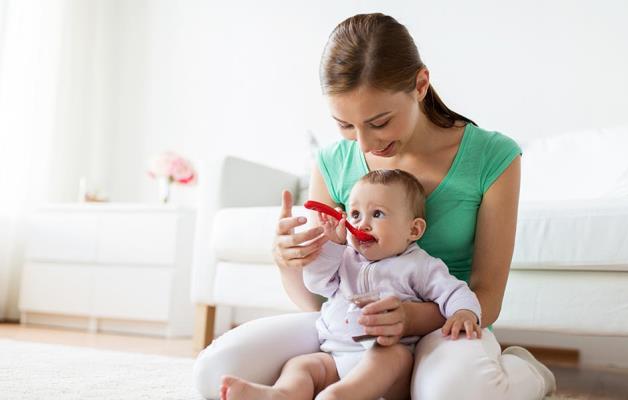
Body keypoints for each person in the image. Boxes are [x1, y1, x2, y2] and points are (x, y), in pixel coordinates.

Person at [194, 12, 556, 400]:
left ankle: (525, 373)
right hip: (350, 328)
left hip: (445, 327)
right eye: (345, 126)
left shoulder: (493, 156)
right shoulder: (332, 162)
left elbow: (488, 296)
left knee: (451, 394)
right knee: (213, 374)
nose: (363, 144)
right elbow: (317, 300)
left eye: (379, 122)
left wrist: (409, 317)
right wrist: (289, 262)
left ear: (420, 85)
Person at [219, 169, 483, 400]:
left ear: (413, 230)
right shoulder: (345, 257)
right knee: (301, 365)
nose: (362, 223)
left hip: (390, 361)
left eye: (377, 214)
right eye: (355, 214)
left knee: (393, 358)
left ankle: (338, 396)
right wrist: (333, 245)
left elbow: (454, 291)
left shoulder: (421, 265)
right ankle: (281, 395)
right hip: (334, 355)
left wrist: (464, 312)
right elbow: (317, 284)